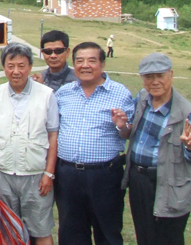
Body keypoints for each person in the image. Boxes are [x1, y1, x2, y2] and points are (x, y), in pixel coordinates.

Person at [121, 53, 191, 245]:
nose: (155, 82)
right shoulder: (143, 98)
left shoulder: (186, 112)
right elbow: (130, 130)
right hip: (139, 180)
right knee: (144, 235)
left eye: (160, 75)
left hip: (170, 182)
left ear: (171, 75)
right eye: (149, 77)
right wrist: (122, 125)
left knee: (169, 238)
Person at [54, 42, 134, 245]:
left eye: (92, 60)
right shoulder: (64, 93)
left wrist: (122, 126)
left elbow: (127, 134)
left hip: (105, 175)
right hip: (67, 175)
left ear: (103, 64)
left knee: (108, 231)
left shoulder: (120, 93)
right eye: (79, 61)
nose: (85, 65)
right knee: (71, 233)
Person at [0, 43, 59, 245]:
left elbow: (53, 136)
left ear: (30, 67)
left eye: (21, 66)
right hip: (2, 174)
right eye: (11, 66)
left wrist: (49, 173)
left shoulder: (46, 95)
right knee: (6, 229)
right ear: (4, 67)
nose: (16, 71)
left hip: (35, 175)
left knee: (40, 229)